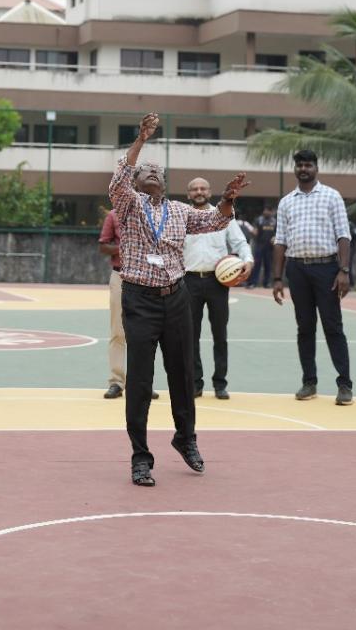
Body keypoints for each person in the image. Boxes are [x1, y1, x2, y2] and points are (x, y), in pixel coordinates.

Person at [109, 113, 248, 486]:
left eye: (158, 171)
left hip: (176, 298)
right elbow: (119, 177)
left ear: (166, 183)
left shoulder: (181, 211)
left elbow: (217, 221)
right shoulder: (128, 204)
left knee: (183, 374)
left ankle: (185, 438)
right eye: (146, 170)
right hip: (139, 300)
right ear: (137, 180)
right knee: (141, 379)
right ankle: (141, 457)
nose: (152, 172)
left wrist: (227, 199)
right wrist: (141, 140)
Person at [272, 148, 353, 405]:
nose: (303, 169)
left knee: (333, 326)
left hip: (326, 269)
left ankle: (344, 384)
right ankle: (309, 382)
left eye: (308, 165)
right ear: (295, 169)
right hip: (297, 270)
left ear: (316, 168)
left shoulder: (332, 196)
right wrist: (277, 278)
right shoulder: (286, 202)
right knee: (304, 328)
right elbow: (280, 240)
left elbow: (344, 235)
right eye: (299, 165)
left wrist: (344, 270)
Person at [184, 176, 253, 399]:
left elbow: (240, 243)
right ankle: (195, 383)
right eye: (194, 189)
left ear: (210, 191)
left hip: (218, 281)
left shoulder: (224, 215)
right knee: (190, 336)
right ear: (188, 194)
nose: (199, 191)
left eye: (203, 188)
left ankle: (220, 383)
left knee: (220, 335)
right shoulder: (182, 216)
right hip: (188, 281)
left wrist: (248, 261)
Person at [98, 207, 158, 401]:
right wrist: (125, 246)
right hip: (121, 276)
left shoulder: (154, 214)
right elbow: (103, 247)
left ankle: (142, 384)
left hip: (146, 277)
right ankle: (116, 382)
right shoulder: (113, 215)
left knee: (145, 334)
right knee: (118, 331)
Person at [247, 205, 275, 287]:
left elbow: (277, 233)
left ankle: (267, 283)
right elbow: (254, 230)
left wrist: (275, 237)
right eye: (265, 210)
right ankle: (253, 282)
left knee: (268, 265)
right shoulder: (259, 220)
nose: (266, 212)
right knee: (257, 264)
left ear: (271, 212)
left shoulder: (274, 221)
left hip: (269, 247)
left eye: (268, 211)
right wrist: (254, 232)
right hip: (259, 245)